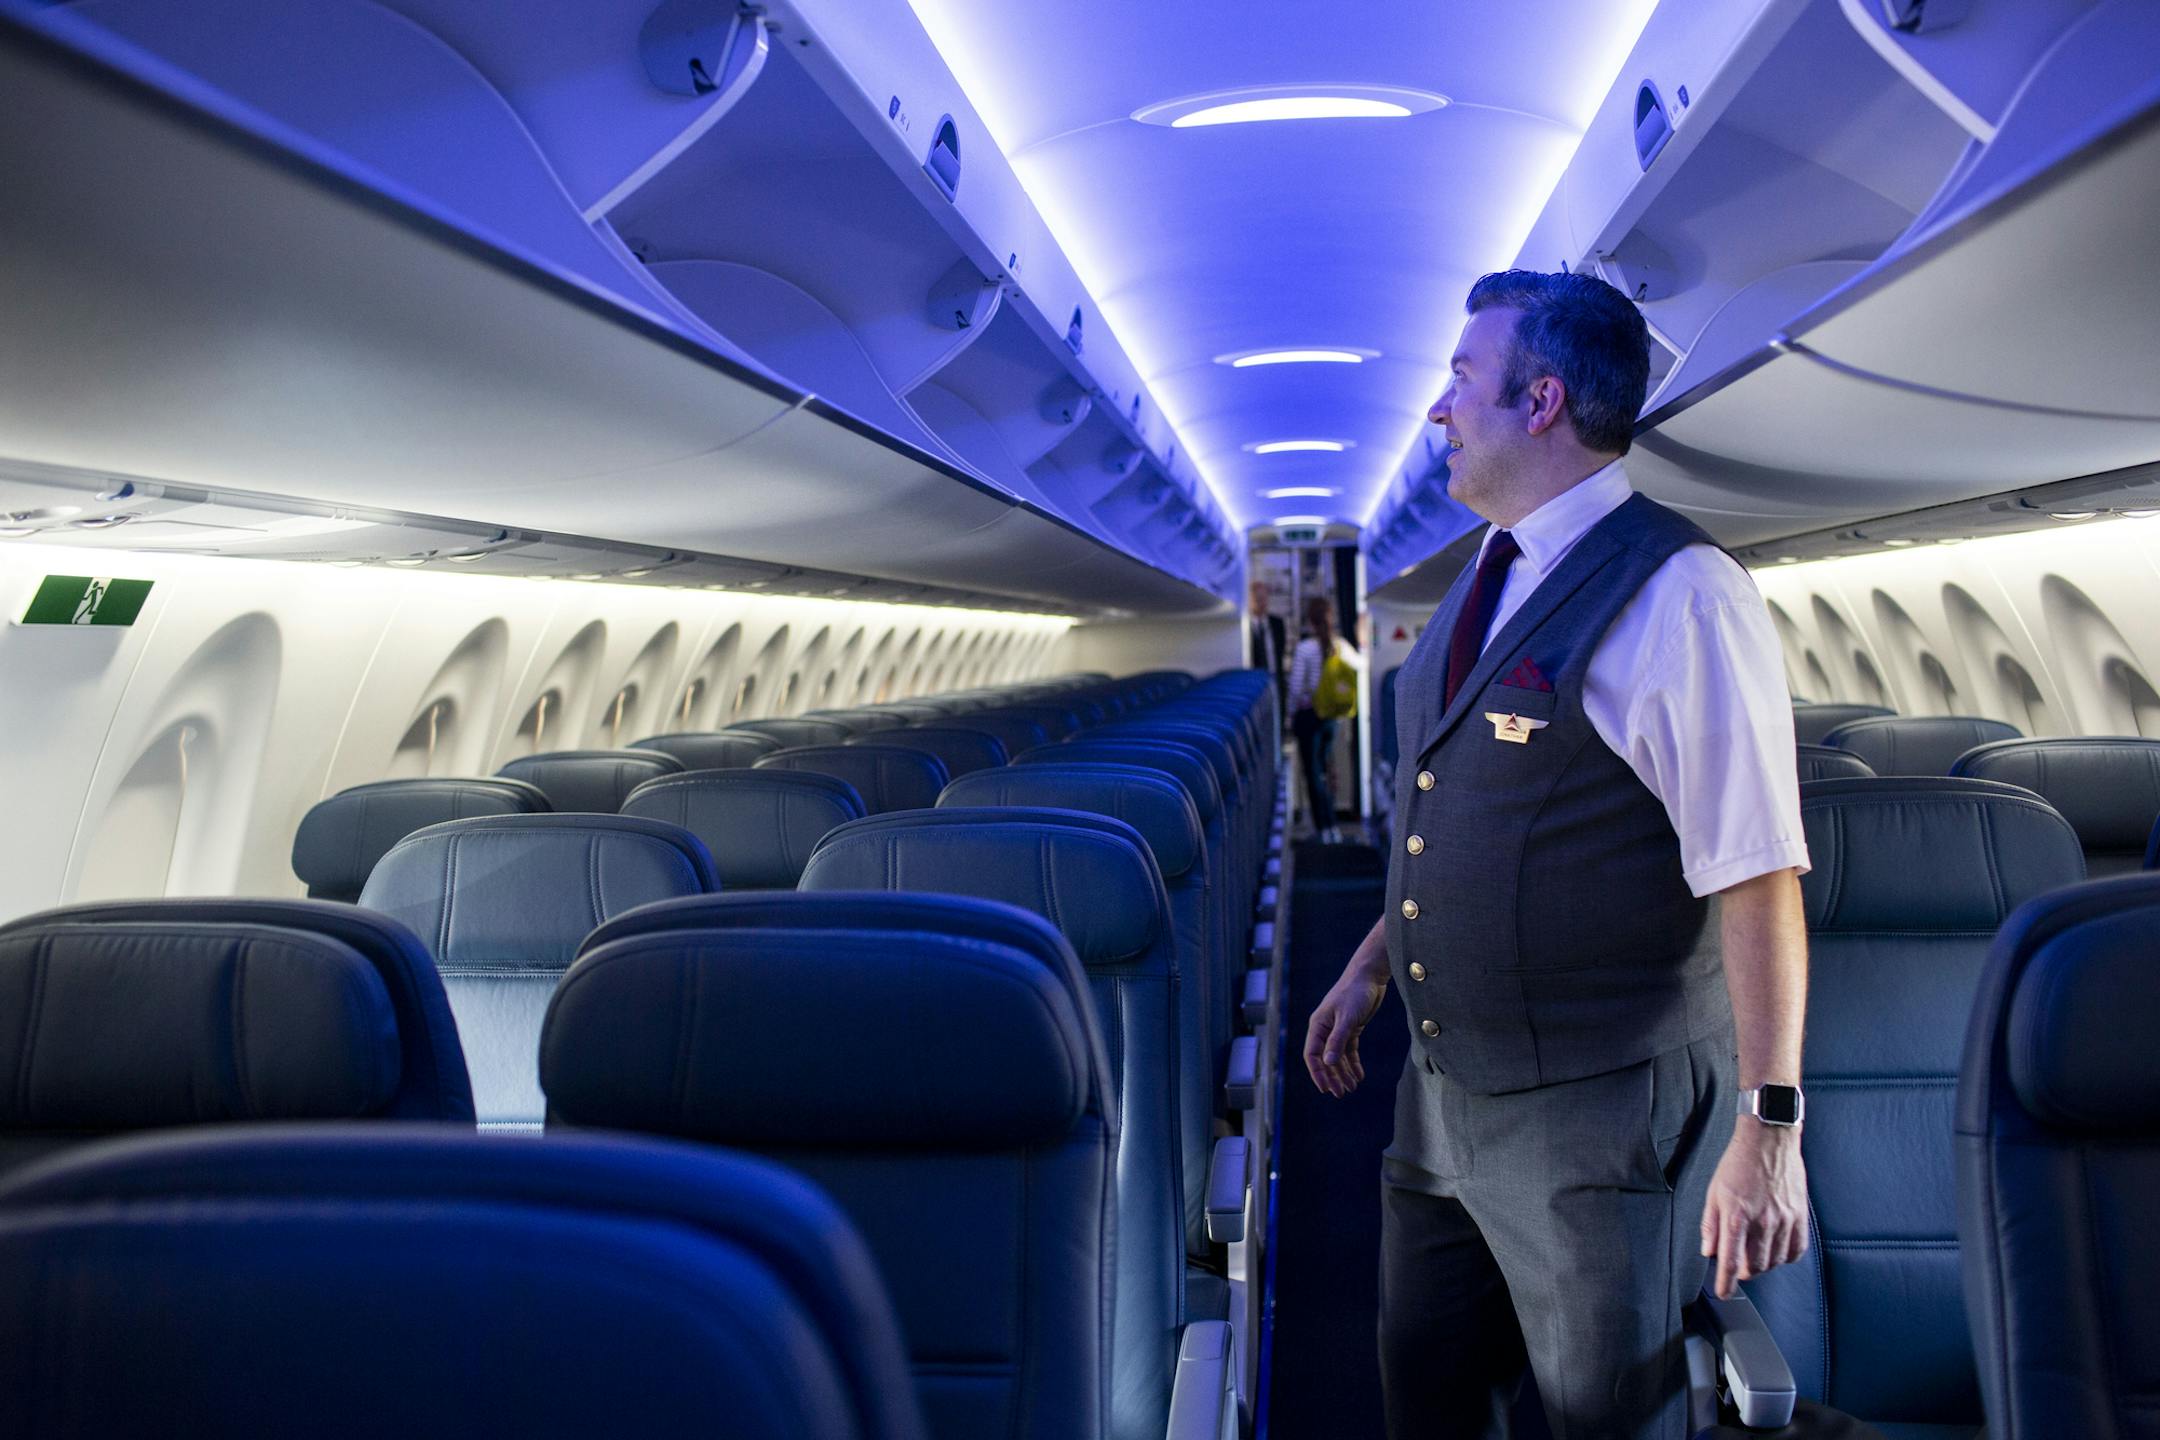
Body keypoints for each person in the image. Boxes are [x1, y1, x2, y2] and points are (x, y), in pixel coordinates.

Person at [1302, 270, 1811, 1439]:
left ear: (1541, 402)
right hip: (1437, 1104)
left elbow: (1757, 871)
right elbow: (1470, 812)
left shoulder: (1682, 595)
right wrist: (1376, 957)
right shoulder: (1488, 572)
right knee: (1424, 1396)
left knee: (1607, 1418)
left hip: (1595, 1123)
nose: (1439, 409)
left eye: (1460, 380)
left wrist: (1769, 1126)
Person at [1287, 594, 1353, 842]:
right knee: (1326, 771)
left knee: (1313, 773)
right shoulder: (1339, 645)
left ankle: (1322, 828)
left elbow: (1295, 688)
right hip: (1331, 718)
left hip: (1309, 717)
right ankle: (1333, 826)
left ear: (1309, 621)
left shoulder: (1305, 649)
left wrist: (1291, 713)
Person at [1249, 578, 1287, 704]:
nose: (1262, 603)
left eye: (1264, 598)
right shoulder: (1244, 629)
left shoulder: (1278, 624)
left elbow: (1280, 654)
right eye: (1258, 599)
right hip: (1255, 687)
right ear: (1250, 600)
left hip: (1276, 684)